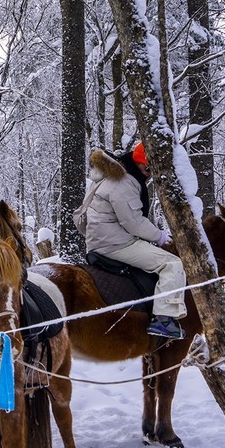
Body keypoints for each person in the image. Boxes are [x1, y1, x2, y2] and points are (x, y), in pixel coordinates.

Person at [82, 142, 186, 339]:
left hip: (102, 239)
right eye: (148, 168)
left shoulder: (112, 176)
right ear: (138, 162)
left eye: (152, 169)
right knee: (172, 264)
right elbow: (133, 223)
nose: (149, 173)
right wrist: (161, 237)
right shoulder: (124, 182)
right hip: (115, 244)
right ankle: (164, 320)